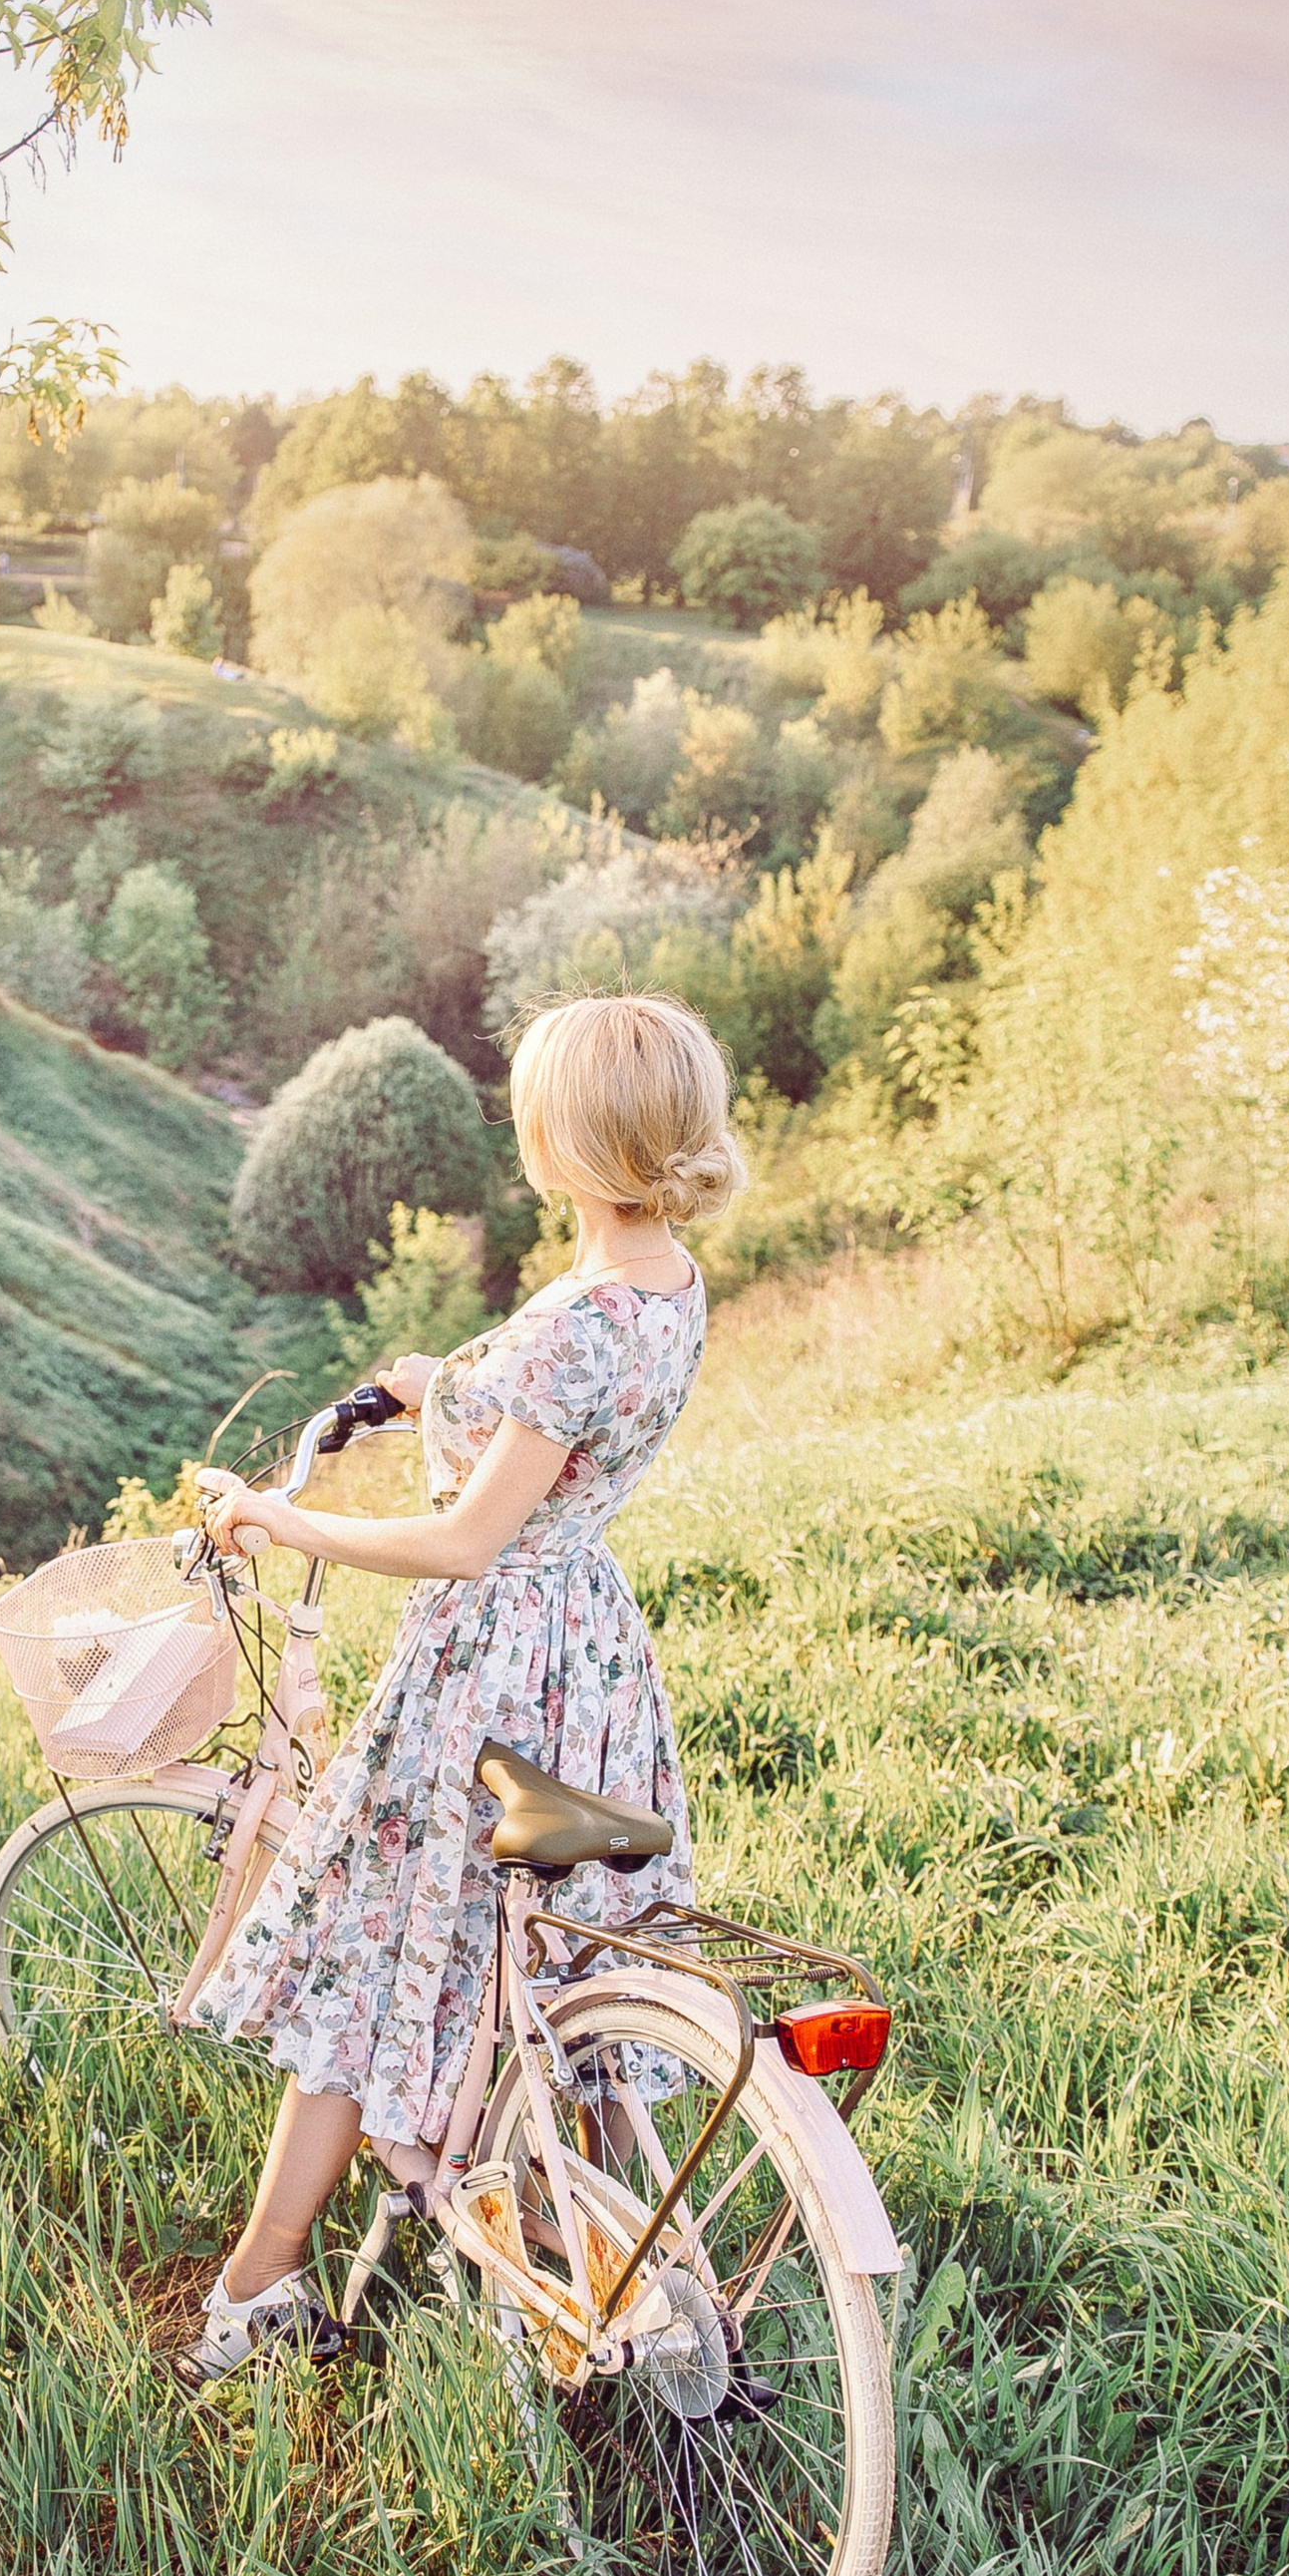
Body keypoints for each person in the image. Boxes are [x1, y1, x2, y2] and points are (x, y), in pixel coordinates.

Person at [177, 988, 746, 2391]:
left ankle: (255, 2295)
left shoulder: (568, 1330)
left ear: (565, 1139)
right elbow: (564, 1434)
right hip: (591, 1656)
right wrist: (456, 1386)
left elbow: (464, 1539)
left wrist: (276, 1516)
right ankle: (569, 2223)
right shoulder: (667, 1287)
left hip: (491, 1660)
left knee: (370, 1965)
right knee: (552, 1965)